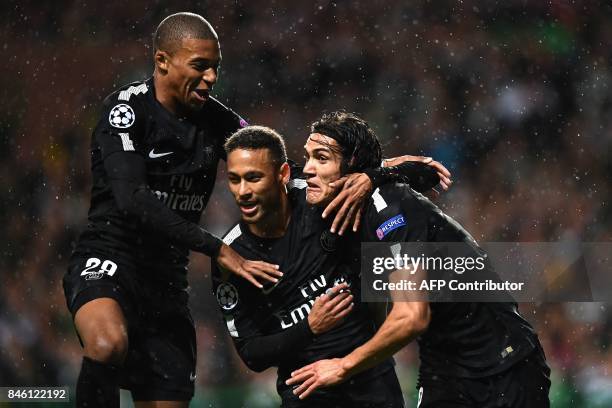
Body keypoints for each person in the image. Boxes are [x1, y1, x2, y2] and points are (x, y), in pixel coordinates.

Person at [62, 13, 287, 408]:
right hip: (110, 257)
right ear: (163, 61)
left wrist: (373, 173)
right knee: (106, 342)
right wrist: (216, 248)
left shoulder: (218, 121)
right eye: (200, 65)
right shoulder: (126, 111)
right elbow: (133, 199)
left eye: (216, 67)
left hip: (167, 281)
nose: (211, 77)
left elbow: (275, 166)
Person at [286, 111, 551, 407]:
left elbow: (411, 316)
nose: (308, 168)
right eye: (307, 157)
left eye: (321, 158)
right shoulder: (332, 202)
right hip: (445, 368)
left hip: (504, 362)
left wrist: (342, 366)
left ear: (352, 166)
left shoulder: (390, 207)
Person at [213, 125, 446, 407]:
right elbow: (252, 354)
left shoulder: (320, 197)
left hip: (372, 383)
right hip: (308, 391)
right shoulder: (232, 255)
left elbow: (425, 174)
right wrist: (309, 327)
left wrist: (373, 175)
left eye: (253, 178)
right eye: (234, 180)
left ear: (283, 175)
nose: (243, 191)